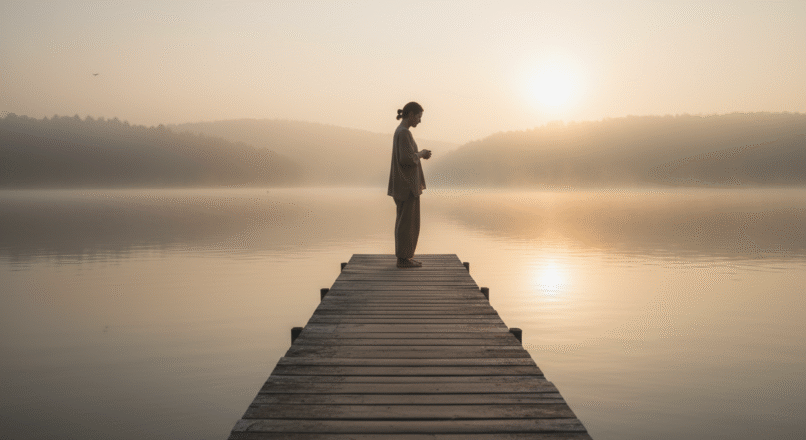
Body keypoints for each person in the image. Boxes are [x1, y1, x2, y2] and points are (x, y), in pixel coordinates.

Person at [388, 102, 431, 268]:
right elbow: (406, 159)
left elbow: (405, 157)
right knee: (407, 224)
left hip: (404, 186)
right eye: (419, 117)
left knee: (406, 223)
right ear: (411, 114)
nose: (419, 121)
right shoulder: (404, 133)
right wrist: (421, 154)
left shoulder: (401, 132)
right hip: (407, 187)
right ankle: (403, 259)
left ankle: (405, 257)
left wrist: (419, 155)